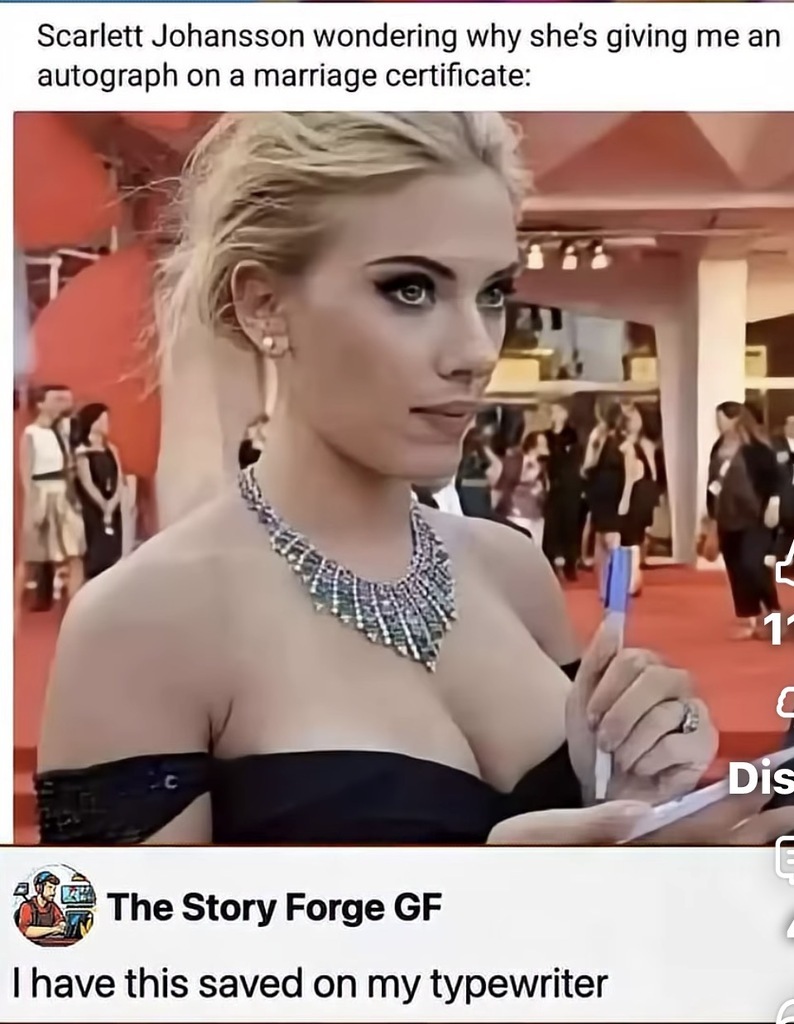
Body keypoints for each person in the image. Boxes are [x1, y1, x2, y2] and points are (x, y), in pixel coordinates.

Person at [36, 113, 790, 847]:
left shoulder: (513, 571)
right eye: (410, 289)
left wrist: (630, 803)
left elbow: (603, 891)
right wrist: (490, 901)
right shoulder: (142, 623)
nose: (476, 350)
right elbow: (91, 933)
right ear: (265, 305)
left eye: (492, 293)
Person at [705, 400, 781, 640]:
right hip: (726, 516)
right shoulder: (719, 447)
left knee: (753, 565)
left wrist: (773, 503)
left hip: (754, 517)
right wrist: (711, 516)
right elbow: (712, 483)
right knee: (736, 569)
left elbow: (775, 478)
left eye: (721, 419)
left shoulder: (756, 448)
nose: (718, 424)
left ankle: (774, 614)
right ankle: (752, 620)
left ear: (735, 419)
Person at [15, 385, 84, 621]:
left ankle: (75, 613)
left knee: (74, 556)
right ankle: (13, 610)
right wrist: (33, 507)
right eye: (56, 399)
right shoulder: (31, 433)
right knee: (29, 559)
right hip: (41, 494)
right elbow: (26, 474)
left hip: (63, 494)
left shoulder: (63, 430)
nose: (61, 404)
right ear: (40, 404)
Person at [582, 402, 637, 595]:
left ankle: (617, 588)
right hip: (599, 493)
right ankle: (603, 588)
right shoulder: (599, 440)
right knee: (600, 541)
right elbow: (588, 466)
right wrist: (593, 442)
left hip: (615, 495)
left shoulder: (625, 444)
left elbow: (630, 476)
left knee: (613, 540)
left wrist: (625, 499)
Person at [73, 403, 124, 580]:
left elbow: (119, 478)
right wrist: (103, 506)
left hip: (113, 507)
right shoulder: (82, 452)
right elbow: (87, 483)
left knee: (114, 550)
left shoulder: (112, 449)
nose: (106, 424)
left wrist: (113, 503)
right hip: (92, 508)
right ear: (92, 422)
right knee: (96, 552)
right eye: (103, 420)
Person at [619, 404, 660, 596]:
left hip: (638, 492)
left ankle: (633, 579)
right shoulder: (643, 444)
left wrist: (625, 499)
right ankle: (634, 578)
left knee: (631, 538)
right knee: (635, 537)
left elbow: (634, 476)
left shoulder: (632, 446)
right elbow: (652, 473)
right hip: (644, 491)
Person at [542, 401, 583, 582]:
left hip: (570, 485)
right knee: (552, 525)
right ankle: (550, 562)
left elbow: (572, 457)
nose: (552, 415)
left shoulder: (571, 435)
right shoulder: (546, 436)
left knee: (570, 524)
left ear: (564, 414)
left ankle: (570, 563)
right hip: (553, 485)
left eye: (556, 411)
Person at [16, 871, 66, 943]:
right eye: (49, 888)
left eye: (54, 889)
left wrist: (62, 925)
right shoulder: (27, 907)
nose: (53, 893)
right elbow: (26, 931)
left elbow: (60, 921)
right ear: (39, 888)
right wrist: (54, 929)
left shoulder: (53, 906)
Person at [771, 414, 794, 570]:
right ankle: (782, 561)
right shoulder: (776, 444)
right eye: (790, 424)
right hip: (785, 492)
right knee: (785, 526)